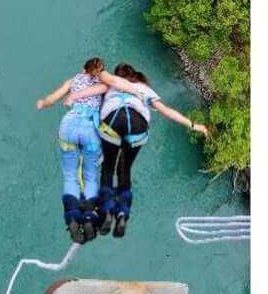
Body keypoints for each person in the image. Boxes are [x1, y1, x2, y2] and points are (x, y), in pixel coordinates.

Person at [64, 64, 209, 237]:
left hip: (113, 122)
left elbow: (90, 100)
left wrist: (73, 100)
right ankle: (123, 214)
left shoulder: (111, 84)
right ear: (136, 76)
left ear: (118, 75)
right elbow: (167, 111)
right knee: (124, 170)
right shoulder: (144, 89)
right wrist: (195, 126)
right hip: (138, 126)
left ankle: (107, 210)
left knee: (108, 169)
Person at [36, 57, 105, 243]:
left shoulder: (73, 80)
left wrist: (43, 103)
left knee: (70, 176)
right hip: (90, 128)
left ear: (84, 68)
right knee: (90, 175)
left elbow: (52, 98)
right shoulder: (105, 82)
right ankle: (89, 215)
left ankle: (72, 217)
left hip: (69, 126)